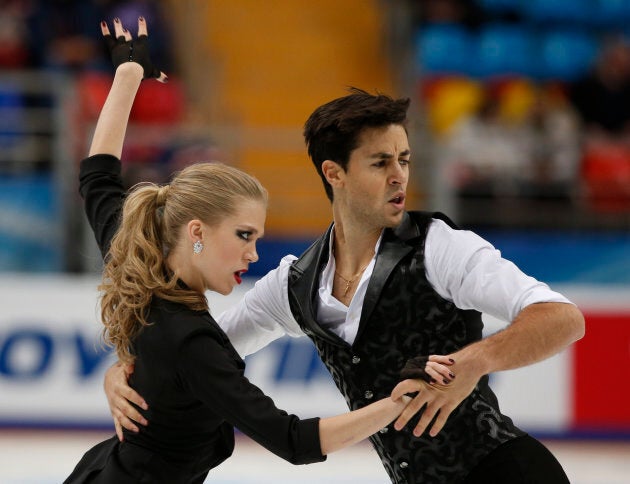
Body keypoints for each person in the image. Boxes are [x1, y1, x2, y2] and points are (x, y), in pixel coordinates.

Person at [104, 30, 585, 484]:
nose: (399, 175)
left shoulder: (440, 246)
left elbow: (563, 319)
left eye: (405, 159)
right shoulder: (295, 285)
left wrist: (475, 361)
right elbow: (196, 350)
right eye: (380, 163)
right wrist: (124, 370)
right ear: (334, 173)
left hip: (507, 472)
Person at [64, 17, 432, 484]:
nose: (254, 255)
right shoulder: (192, 342)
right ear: (197, 230)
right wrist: (397, 404)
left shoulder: (135, 256)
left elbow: (97, 175)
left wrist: (128, 75)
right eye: (243, 236)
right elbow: (294, 440)